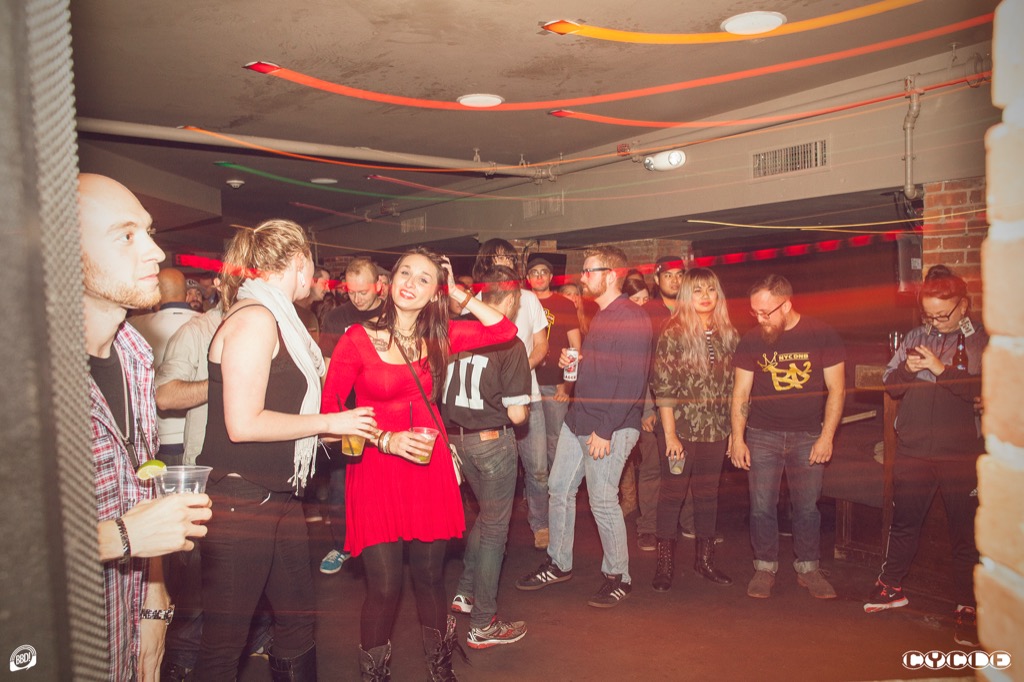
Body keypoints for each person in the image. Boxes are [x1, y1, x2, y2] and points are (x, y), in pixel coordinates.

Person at [322, 247, 516, 681]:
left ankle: (440, 668)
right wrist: (385, 439)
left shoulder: (437, 338)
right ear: (389, 282)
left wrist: (458, 293)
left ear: (434, 292)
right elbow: (328, 420)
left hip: (428, 468)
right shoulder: (357, 340)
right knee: (385, 587)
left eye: (424, 279)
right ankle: (374, 675)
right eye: (405, 273)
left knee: (430, 578)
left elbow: (504, 329)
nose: (410, 283)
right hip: (375, 468)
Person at [195, 219, 377, 680]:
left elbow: (282, 412)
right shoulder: (255, 319)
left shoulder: (281, 319)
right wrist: (329, 422)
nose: (315, 279)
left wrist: (342, 430)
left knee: (297, 622)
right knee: (223, 644)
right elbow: (243, 424)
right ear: (299, 262)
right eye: (313, 266)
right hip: (239, 500)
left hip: (279, 495)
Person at [79, 173, 213, 681]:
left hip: (126, 627)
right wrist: (121, 536)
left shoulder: (135, 354)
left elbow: (143, 505)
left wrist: (155, 611)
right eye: (126, 235)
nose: (155, 252)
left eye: (149, 232)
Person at [516, 246, 652, 608]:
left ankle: (619, 576)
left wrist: (606, 430)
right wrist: (575, 362)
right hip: (579, 419)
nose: (583, 277)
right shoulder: (601, 314)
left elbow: (632, 382)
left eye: (591, 271)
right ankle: (559, 563)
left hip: (611, 425)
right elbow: (607, 367)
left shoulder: (632, 317)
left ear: (612, 275)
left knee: (603, 500)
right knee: (558, 489)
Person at [864, 265, 987, 648]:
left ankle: (968, 606)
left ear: (963, 305)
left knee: (965, 532)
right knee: (904, 522)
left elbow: (984, 391)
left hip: (960, 453)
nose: (934, 322)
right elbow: (890, 384)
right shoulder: (916, 336)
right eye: (928, 314)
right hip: (914, 449)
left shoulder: (982, 338)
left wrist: (939, 369)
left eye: (942, 315)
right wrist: (906, 368)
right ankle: (891, 587)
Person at [730, 274, 845, 600]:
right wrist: (738, 438)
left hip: (808, 435)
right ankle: (764, 568)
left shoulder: (821, 334)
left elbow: (837, 389)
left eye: (765, 312)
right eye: (755, 312)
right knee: (761, 507)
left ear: (786, 304)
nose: (760, 319)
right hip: (762, 435)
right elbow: (741, 393)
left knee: (807, 508)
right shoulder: (752, 340)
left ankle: (808, 569)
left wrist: (827, 437)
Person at [442, 266, 532, 649]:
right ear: (510, 300)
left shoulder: (456, 332)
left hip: (457, 441)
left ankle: (465, 591)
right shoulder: (509, 343)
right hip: (493, 442)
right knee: (496, 529)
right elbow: (518, 415)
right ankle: (483, 623)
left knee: (485, 517)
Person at [650, 268, 739, 591]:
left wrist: (734, 432)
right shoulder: (673, 332)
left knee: (707, 497)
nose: (705, 296)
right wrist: (670, 435)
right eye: (698, 290)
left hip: (716, 431)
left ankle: (705, 562)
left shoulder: (729, 334)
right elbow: (663, 387)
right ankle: (664, 566)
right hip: (681, 431)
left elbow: (736, 388)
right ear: (687, 295)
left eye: (710, 290)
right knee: (672, 496)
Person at [472, 240, 550, 551]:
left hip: (529, 397)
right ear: (485, 264)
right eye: (496, 258)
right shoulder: (476, 301)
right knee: (493, 472)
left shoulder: (528, 299)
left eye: (507, 258)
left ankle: (540, 524)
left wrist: (515, 372)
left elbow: (541, 346)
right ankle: (492, 529)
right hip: (489, 403)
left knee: (538, 468)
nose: (503, 263)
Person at [317, 256, 386, 573]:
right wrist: (331, 416)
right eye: (351, 292)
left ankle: (383, 541)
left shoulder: (392, 313)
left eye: (363, 292)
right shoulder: (336, 318)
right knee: (340, 486)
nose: (357, 298)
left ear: (378, 285)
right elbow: (328, 369)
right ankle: (342, 546)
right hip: (348, 414)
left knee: (382, 484)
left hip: (384, 411)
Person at [524, 256, 582, 550]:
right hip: (527, 387)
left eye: (543, 272)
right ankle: (540, 523)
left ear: (550, 276)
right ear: (528, 277)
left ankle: (558, 516)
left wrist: (568, 385)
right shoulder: (520, 302)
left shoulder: (563, 304)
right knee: (535, 462)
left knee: (556, 453)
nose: (539, 277)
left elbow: (576, 347)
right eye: (533, 272)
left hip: (555, 386)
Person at [130, 267, 200, 464]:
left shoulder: (133, 326)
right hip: (200, 434)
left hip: (160, 436)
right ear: (187, 295)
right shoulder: (208, 323)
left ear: (156, 295)